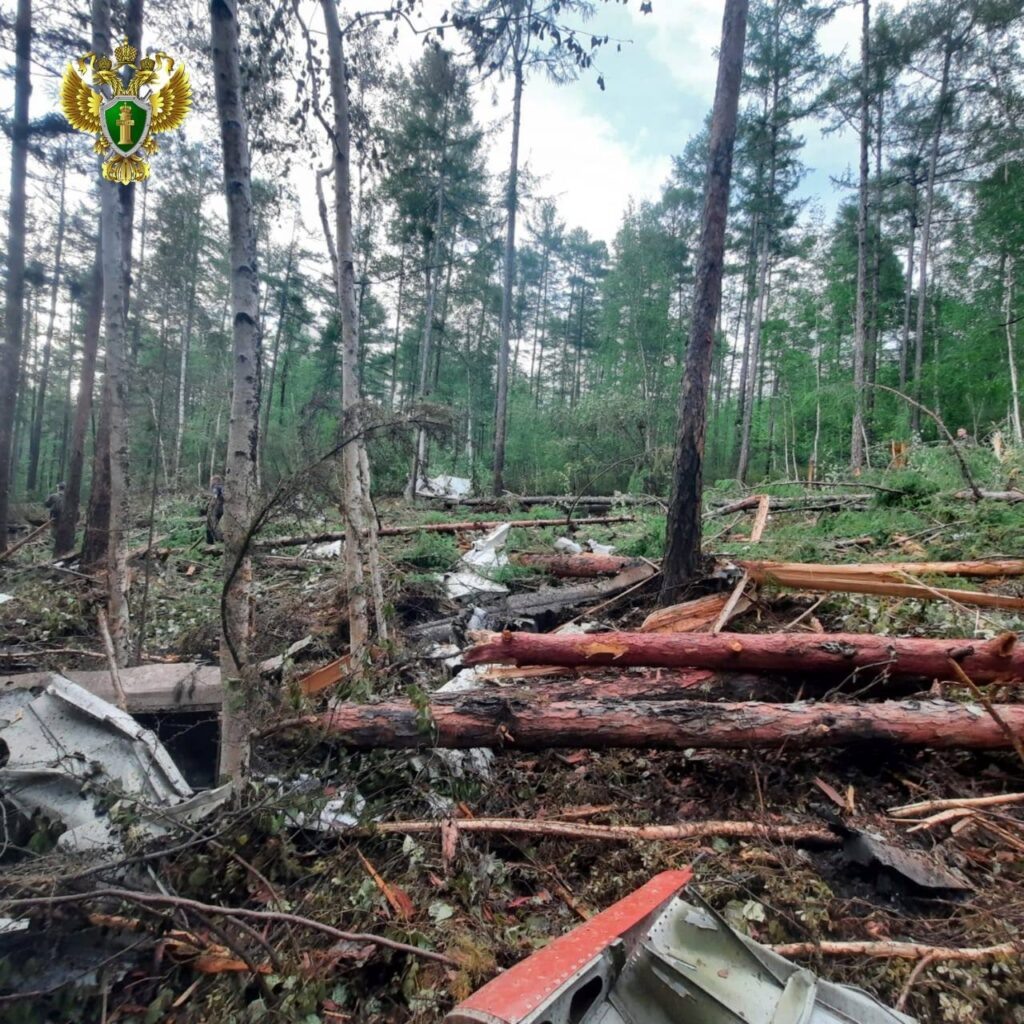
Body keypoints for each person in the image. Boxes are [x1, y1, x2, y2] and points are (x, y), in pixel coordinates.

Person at [206, 475, 225, 543]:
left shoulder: (216, 487)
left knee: (212, 523)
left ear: (215, 480)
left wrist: (211, 505)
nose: (211, 482)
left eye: (212, 480)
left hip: (216, 507)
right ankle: (211, 540)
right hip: (222, 508)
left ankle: (219, 538)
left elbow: (215, 496)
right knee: (213, 523)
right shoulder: (223, 487)